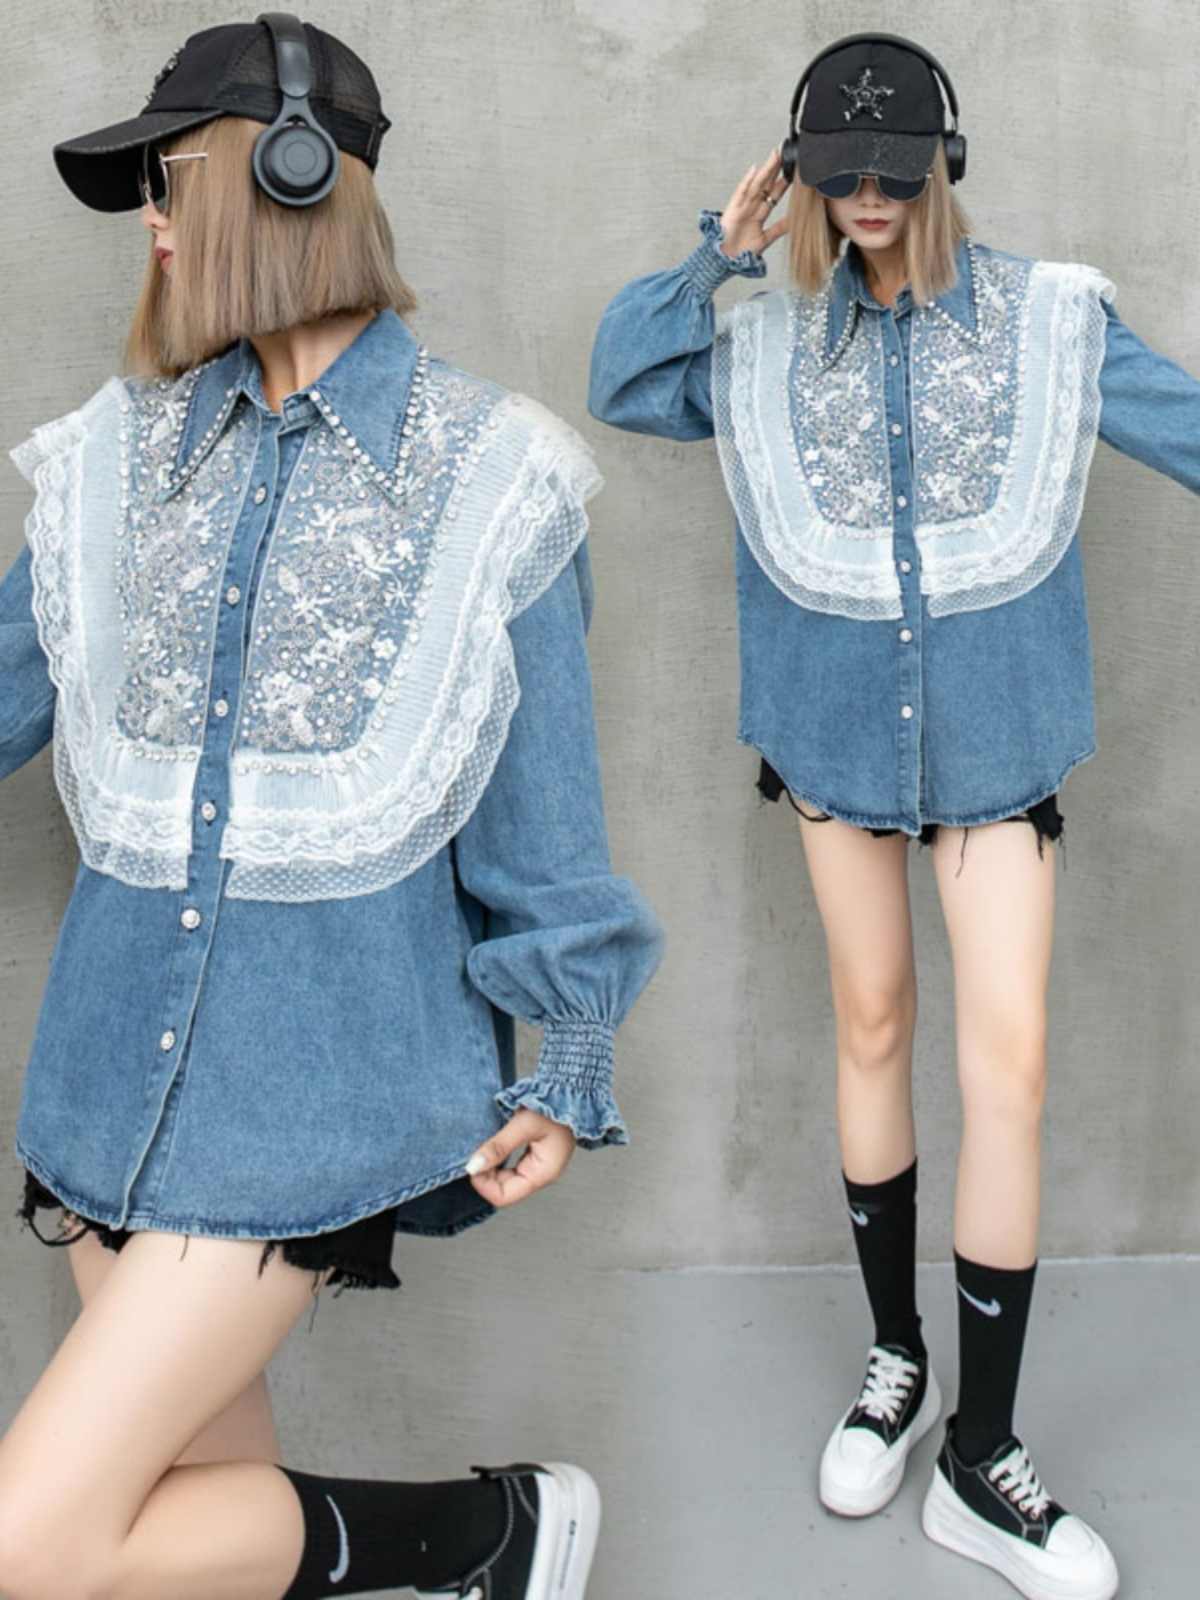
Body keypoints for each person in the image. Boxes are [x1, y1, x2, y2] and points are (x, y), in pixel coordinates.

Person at [0, 15, 663, 1599]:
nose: (153, 227)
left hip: (311, 1099)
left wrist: (571, 1050)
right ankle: (483, 1559)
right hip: (106, 1084)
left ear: (279, 178)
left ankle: (488, 1533)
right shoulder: (116, 461)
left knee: (35, 1545)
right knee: (177, 1515)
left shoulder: (493, 478)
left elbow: (543, 821)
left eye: (165, 185)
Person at [588, 28, 1200, 1600]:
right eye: (838, 170)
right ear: (800, 171)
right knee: (870, 1026)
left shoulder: (1052, 321)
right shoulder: (762, 337)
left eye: (895, 170)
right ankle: (898, 1362)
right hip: (837, 744)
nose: (867, 197)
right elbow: (622, 381)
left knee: (1012, 1064)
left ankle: (984, 1459)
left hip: (997, 750)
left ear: (947, 165)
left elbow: (1189, 427)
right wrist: (716, 249)